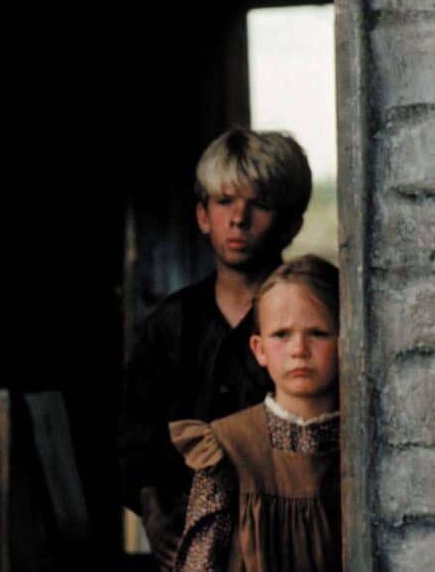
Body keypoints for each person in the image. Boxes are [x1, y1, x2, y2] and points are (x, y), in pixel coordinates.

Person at [118, 128, 312, 568]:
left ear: (292, 223)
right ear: (204, 216)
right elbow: (136, 440)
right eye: (224, 202)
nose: (238, 219)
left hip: (290, 539)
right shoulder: (171, 323)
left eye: (258, 204)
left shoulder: (316, 315)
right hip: (193, 541)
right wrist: (155, 516)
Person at [170, 255, 341, 571]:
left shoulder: (363, 449)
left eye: (317, 333)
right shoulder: (228, 450)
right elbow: (200, 565)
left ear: (347, 342)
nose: (299, 349)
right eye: (281, 335)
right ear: (259, 350)